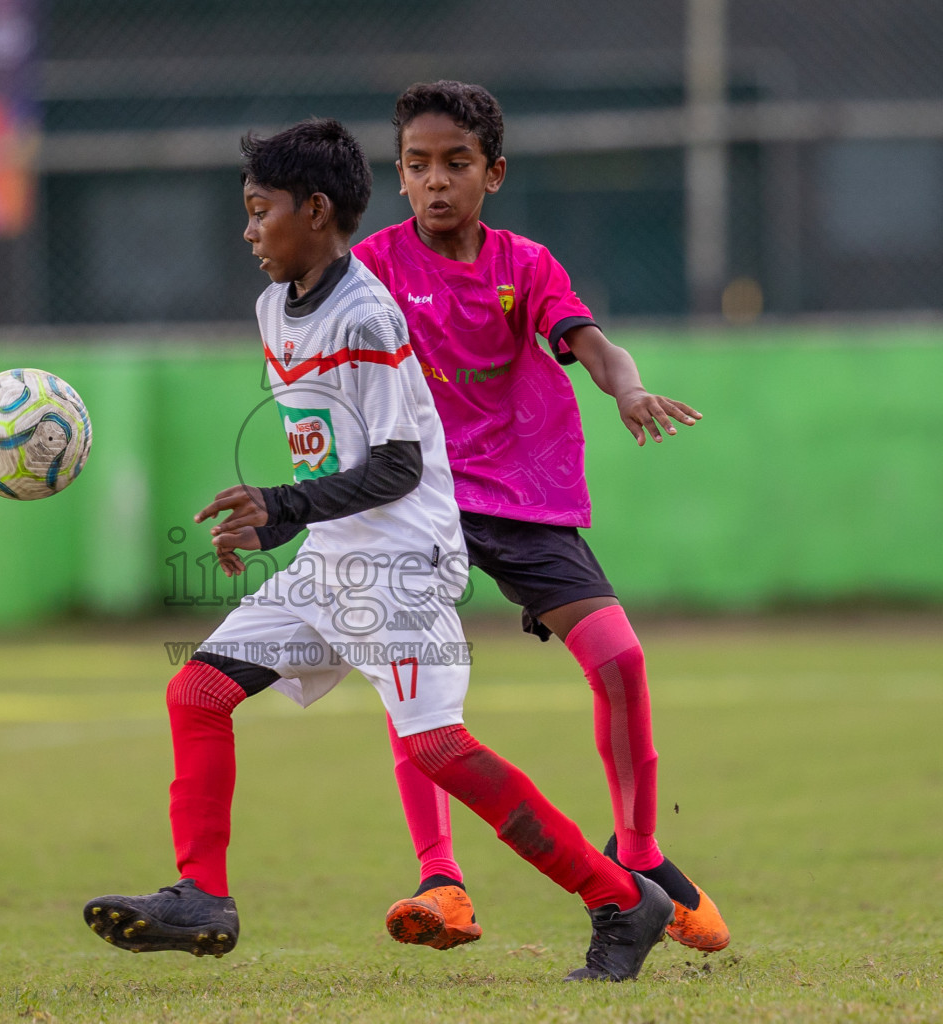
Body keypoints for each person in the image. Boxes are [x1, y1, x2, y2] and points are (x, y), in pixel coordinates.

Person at [81, 117, 673, 983]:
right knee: (197, 691)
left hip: (400, 566)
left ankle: (621, 898)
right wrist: (275, 522)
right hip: (332, 556)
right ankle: (201, 895)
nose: (247, 232)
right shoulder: (274, 306)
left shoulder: (367, 314)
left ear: (315, 211)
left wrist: (284, 501)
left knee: (438, 749)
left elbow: (396, 466)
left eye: (259, 212)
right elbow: (332, 451)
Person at [351, 80, 728, 956]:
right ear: (399, 177)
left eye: (456, 163)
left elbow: (589, 340)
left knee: (621, 657)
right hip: (417, 498)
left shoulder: (525, 265)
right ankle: (440, 879)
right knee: (418, 690)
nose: (435, 181)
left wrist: (627, 387)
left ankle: (636, 850)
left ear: (495, 172)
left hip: (522, 495)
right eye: (417, 166)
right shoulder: (370, 269)